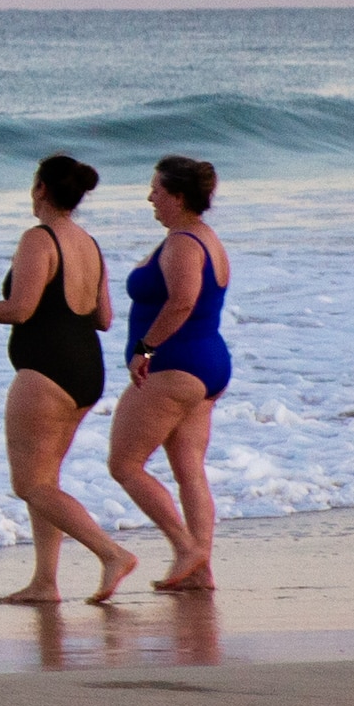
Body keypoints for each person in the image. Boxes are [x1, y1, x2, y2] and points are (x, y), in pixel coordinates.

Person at [0, 153, 144, 606]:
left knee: (30, 484)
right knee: (46, 479)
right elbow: (105, 317)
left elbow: (21, 309)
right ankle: (45, 582)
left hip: (47, 372)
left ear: (40, 189)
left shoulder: (38, 240)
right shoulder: (88, 243)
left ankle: (112, 554)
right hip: (85, 368)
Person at [109, 152, 234, 592]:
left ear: (178, 197)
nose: (150, 198)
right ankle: (199, 573)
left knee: (124, 465)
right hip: (207, 364)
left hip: (178, 364)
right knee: (189, 471)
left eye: (157, 191)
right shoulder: (205, 237)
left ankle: (186, 548)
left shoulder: (183, 241)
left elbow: (182, 300)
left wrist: (145, 348)